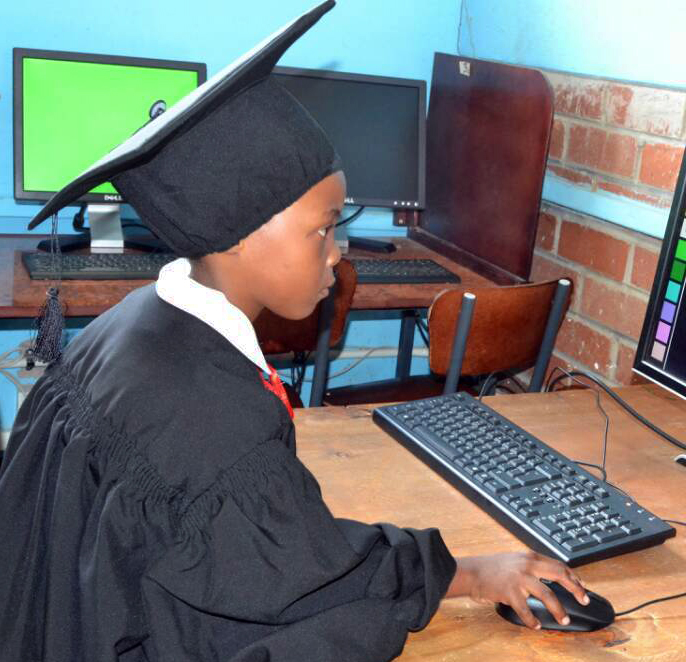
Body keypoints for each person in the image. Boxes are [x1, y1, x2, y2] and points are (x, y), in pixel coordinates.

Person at [0, 3, 587, 661]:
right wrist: (471, 574)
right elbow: (310, 576)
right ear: (237, 236)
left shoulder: (130, 322)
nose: (339, 252)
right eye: (324, 227)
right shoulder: (217, 429)